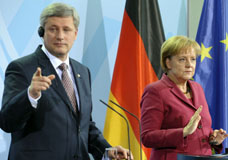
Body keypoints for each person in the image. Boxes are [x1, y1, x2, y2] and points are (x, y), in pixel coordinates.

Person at [0, 3, 133, 160]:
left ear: (75, 34)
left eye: (66, 30)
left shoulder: (83, 72)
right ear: (41, 32)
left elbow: (83, 125)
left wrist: (107, 150)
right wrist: (30, 95)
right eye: (53, 29)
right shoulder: (22, 68)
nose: (60, 36)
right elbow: (7, 122)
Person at [140, 35, 228, 160]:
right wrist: (183, 132)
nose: (189, 65)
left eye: (193, 59)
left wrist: (214, 139)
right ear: (168, 62)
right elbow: (147, 137)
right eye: (182, 59)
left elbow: (200, 130)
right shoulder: (155, 91)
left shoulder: (197, 88)